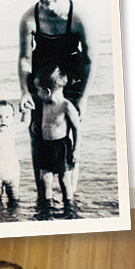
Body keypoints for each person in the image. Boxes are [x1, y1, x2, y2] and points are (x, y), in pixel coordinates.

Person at [18, 0, 92, 205]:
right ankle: (44, 198)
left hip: (71, 76)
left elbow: (91, 58)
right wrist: (24, 92)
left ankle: (70, 196)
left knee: (69, 133)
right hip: (42, 78)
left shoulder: (78, 17)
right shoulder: (29, 19)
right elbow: (24, 59)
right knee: (37, 131)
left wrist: (83, 97)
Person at [32, 65, 81, 212]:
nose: (37, 93)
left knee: (65, 180)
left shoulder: (66, 106)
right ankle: (47, 207)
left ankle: (69, 206)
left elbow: (77, 128)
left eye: (38, 90)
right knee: (45, 179)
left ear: (47, 91)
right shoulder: (44, 103)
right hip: (45, 145)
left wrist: (76, 150)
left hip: (62, 146)